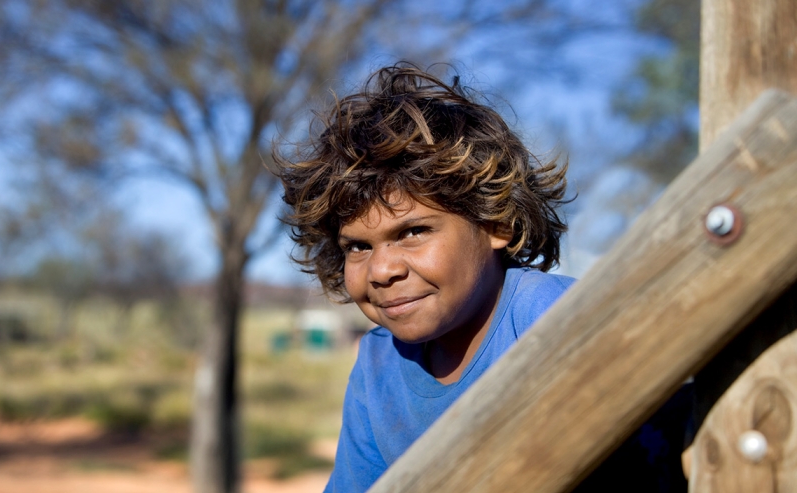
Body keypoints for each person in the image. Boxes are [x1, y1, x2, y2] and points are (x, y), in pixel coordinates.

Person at [274, 62, 690, 493]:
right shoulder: (378, 365)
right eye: (358, 247)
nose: (382, 271)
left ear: (496, 223)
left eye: (413, 232)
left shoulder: (559, 321)